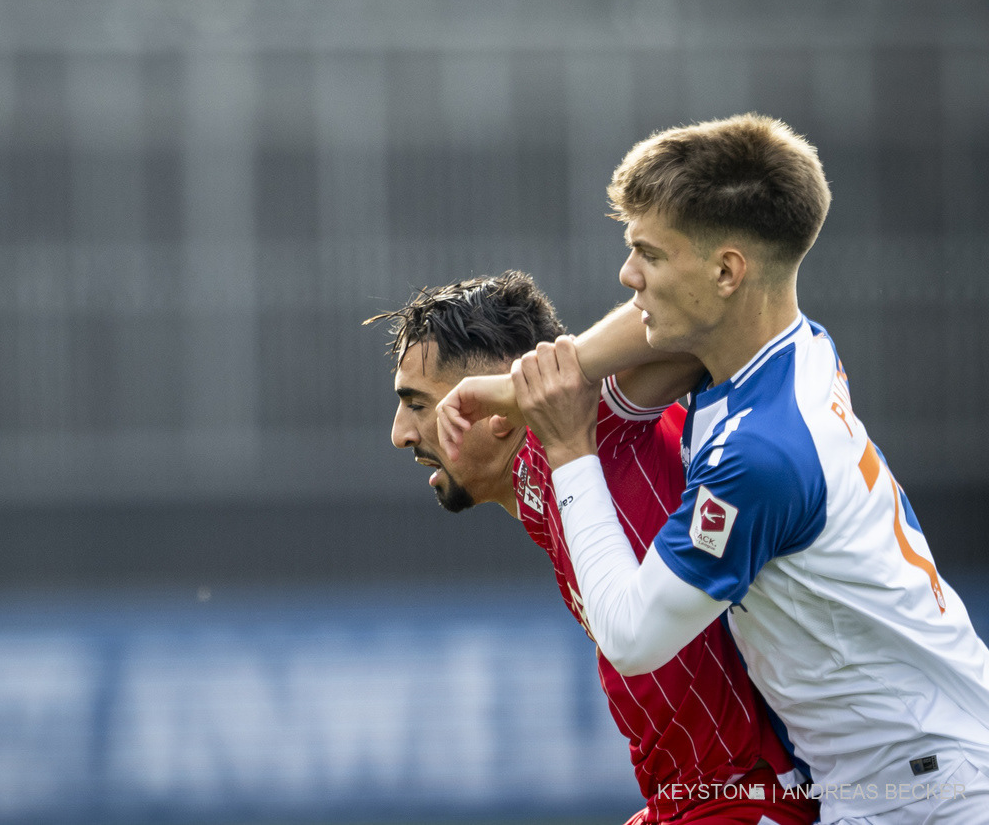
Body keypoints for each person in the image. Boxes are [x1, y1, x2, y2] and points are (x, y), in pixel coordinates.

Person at [437, 114, 989, 825]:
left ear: (726, 272)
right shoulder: (782, 346)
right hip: (910, 773)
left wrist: (569, 446)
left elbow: (631, 636)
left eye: (649, 254)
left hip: (921, 799)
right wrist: (525, 385)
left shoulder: (760, 455)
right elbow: (649, 329)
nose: (628, 275)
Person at [368, 270, 818, 825]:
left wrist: (545, 379)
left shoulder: (588, 421)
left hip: (745, 793)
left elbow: (704, 307)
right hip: (691, 799)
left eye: (417, 404)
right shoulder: (546, 477)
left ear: (495, 407)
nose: (400, 433)